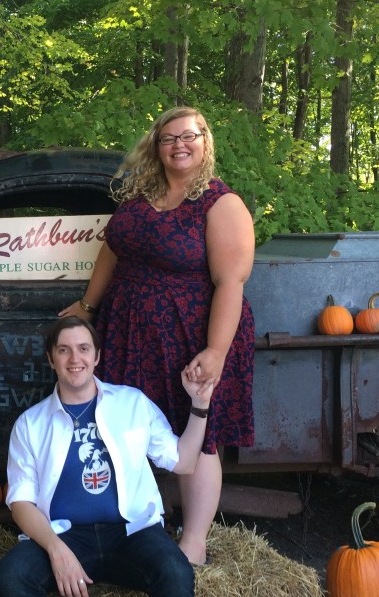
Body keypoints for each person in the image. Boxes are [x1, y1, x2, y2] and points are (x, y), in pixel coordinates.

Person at [59, 106, 255, 566]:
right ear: (156, 146)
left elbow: (231, 282)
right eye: (168, 138)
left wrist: (215, 350)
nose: (178, 145)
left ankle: (194, 542)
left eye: (188, 136)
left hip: (190, 334)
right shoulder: (140, 196)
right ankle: (131, 526)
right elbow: (111, 251)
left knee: (196, 433)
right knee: (121, 426)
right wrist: (88, 306)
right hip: (128, 330)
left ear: (205, 143)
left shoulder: (220, 203)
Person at [0, 315, 213, 597]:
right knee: (12, 575)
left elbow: (183, 461)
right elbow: (21, 502)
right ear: (51, 359)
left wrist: (199, 406)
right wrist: (56, 549)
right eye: (64, 350)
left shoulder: (132, 404)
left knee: (177, 575)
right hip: (66, 536)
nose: (74, 358)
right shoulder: (31, 424)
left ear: (97, 356)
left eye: (83, 349)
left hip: (132, 534)